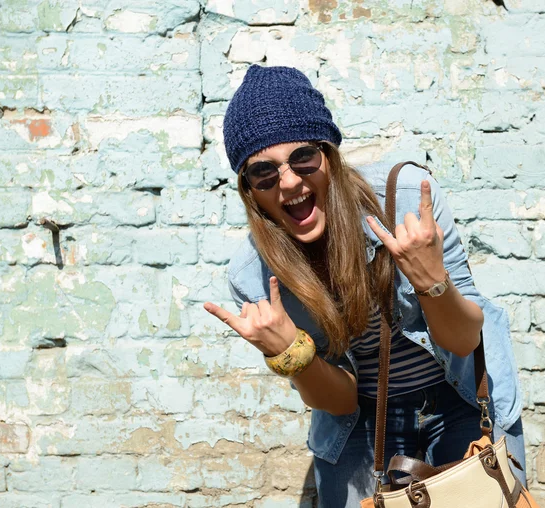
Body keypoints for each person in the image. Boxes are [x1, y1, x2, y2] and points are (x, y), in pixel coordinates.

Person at [203, 64, 525, 507]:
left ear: (329, 155)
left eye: (304, 158)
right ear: (249, 190)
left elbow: (465, 339)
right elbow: (339, 401)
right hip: (360, 423)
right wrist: (292, 358)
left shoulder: (409, 199)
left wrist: (432, 284)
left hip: (458, 397)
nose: (291, 181)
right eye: (265, 172)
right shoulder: (254, 275)